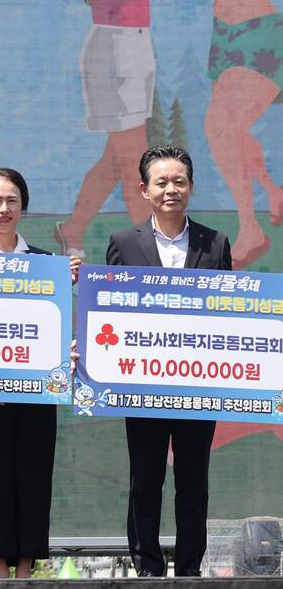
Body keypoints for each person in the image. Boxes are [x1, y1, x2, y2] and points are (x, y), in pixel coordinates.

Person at [107, 145, 231, 577]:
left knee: (194, 482)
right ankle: (148, 569)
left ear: (191, 188)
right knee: (145, 482)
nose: (170, 189)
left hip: (197, 384)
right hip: (142, 387)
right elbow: (110, 313)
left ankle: (191, 569)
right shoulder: (123, 243)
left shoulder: (215, 243)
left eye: (179, 181)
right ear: (144, 190)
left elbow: (229, 312)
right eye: (161, 182)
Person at [0, 168, 81, 578]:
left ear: (23, 207)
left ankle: (27, 570)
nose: (3, 208)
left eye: (11, 200)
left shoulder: (46, 264)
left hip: (37, 396)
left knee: (34, 479)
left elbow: (58, 324)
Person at [56, 0, 187, 257]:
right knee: (133, 158)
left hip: (138, 50)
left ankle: (72, 229)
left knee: (114, 160)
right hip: (111, 51)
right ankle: (150, 249)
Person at [200, 0, 283, 268]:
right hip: (223, 38)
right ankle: (274, 192)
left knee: (218, 128)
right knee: (230, 133)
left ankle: (250, 228)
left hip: (259, 34)